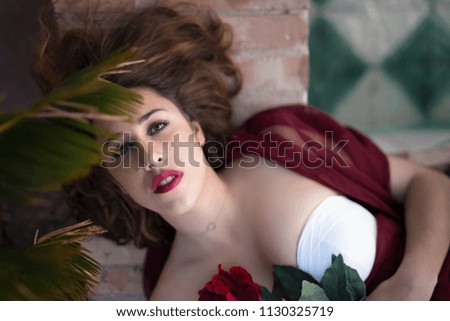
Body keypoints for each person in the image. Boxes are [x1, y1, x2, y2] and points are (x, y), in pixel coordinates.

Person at [31, 2, 449, 300]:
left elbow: (427, 183)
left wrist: (414, 281)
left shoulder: (281, 140)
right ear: (111, 179)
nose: (151, 156)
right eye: (121, 151)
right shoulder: (173, 299)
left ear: (194, 131)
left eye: (157, 126)